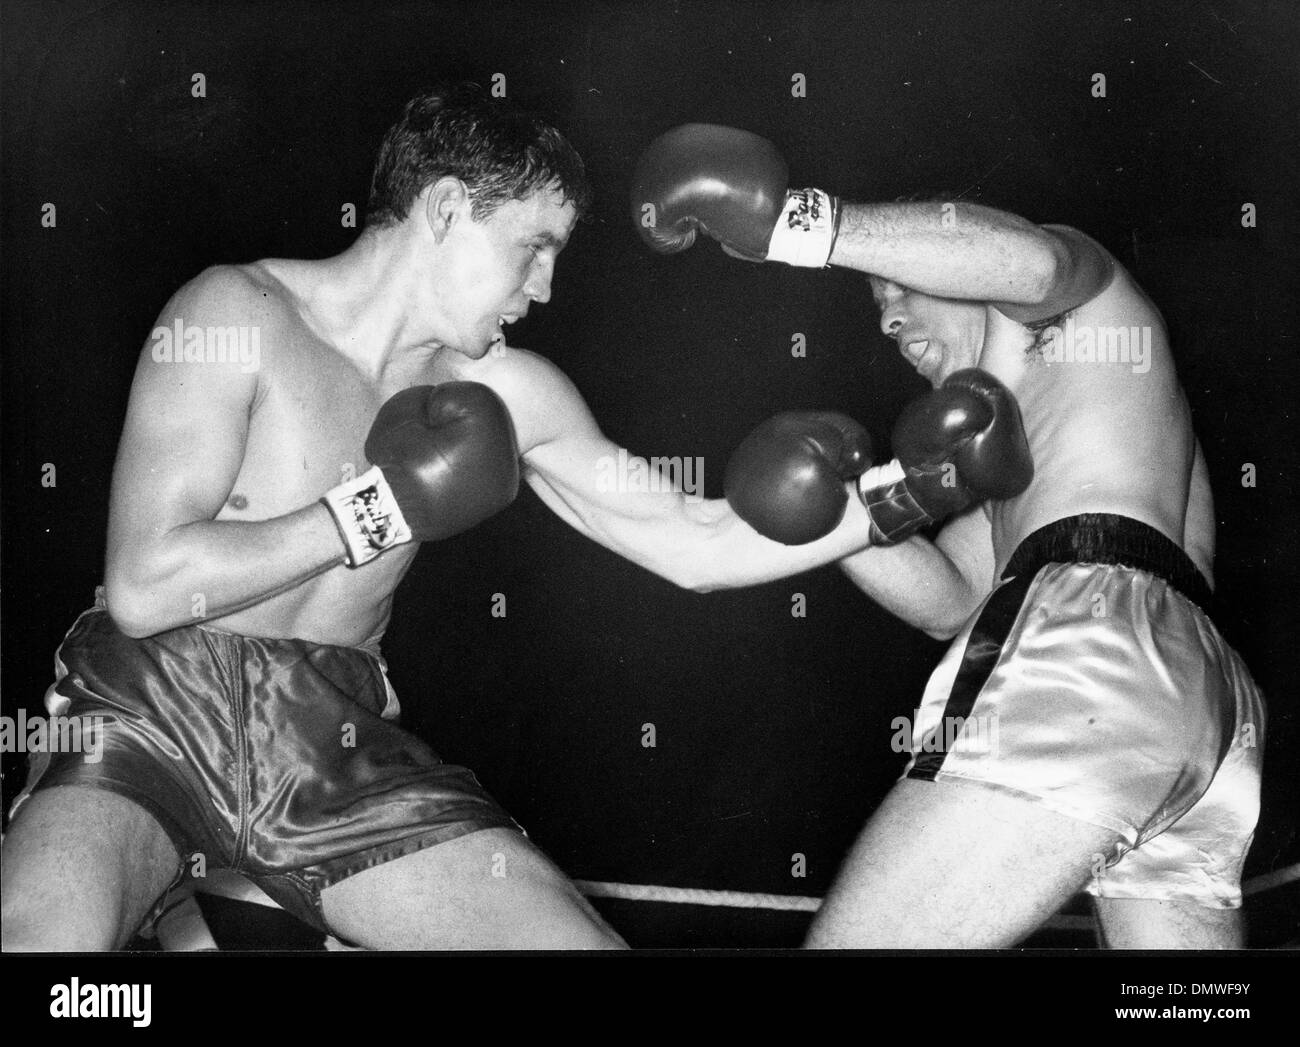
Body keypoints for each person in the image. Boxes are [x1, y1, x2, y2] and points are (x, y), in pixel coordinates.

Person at [0, 90, 1034, 952]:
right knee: (43, 952)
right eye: (534, 247)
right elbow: (142, 587)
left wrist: (905, 494)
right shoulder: (235, 315)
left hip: (331, 742)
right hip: (150, 711)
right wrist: (375, 508)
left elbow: (695, 544)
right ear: (447, 208)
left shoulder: (509, 392)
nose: (543, 287)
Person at [631, 123, 1265, 948]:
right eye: (879, 309)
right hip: (1198, 705)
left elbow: (1026, 262)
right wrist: (840, 511)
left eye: (899, 286)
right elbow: (953, 600)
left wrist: (798, 225)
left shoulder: (1083, 289)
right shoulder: (1036, 452)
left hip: (1094, 646)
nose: (890, 319)